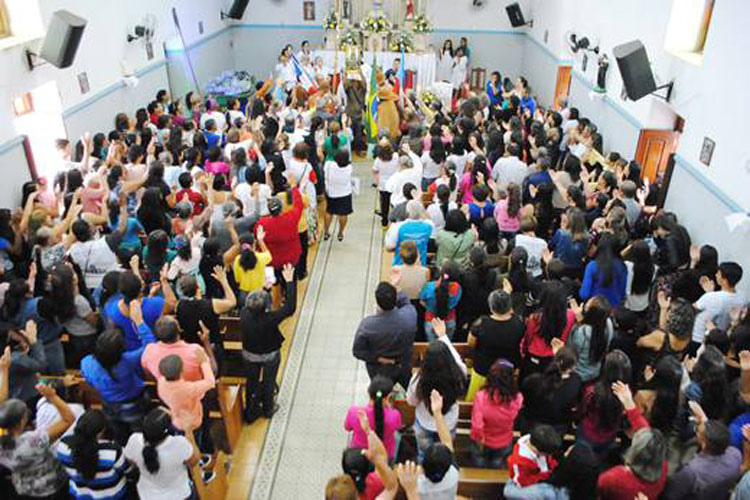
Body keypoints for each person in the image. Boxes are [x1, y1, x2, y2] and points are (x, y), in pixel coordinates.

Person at [81, 300, 156, 445]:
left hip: (109, 404)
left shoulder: (87, 363)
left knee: (120, 435)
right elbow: (150, 346)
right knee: (139, 435)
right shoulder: (128, 361)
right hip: (133, 403)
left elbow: (88, 379)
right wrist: (139, 322)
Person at [240, 264, 296, 422]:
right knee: (269, 381)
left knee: (251, 382)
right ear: (266, 307)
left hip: (249, 355)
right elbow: (290, 308)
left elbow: (255, 305)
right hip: (269, 355)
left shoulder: (244, 314)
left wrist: (265, 289)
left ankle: (251, 412)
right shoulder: (271, 319)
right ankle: (268, 409)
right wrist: (290, 282)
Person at [406, 319, 467, 462]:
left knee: (423, 453)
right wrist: (443, 336)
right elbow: (456, 357)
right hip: (448, 422)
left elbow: (411, 401)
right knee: (445, 452)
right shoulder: (459, 372)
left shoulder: (418, 379)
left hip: (424, 422)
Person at [0, 384, 75, 499]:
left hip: (22, 489)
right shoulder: (33, 440)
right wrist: (52, 396)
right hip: (48, 489)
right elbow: (68, 419)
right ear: (21, 422)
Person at [597, 382, 668, 500]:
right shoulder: (662, 467)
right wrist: (629, 403)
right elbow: (643, 429)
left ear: (635, 451)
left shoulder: (615, 477)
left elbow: (595, 488)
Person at [123, 407, 201, 500]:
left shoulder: (134, 440)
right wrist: (188, 432)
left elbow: (131, 461)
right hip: (179, 495)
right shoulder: (179, 444)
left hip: (147, 496)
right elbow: (194, 461)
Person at [353, 279, 417, 390]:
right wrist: (395, 288)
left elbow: (358, 351)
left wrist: (378, 359)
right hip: (403, 365)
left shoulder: (367, 326)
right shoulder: (410, 316)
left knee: (380, 392)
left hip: (378, 370)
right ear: (395, 299)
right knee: (408, 389)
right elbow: (406, 302)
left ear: (377, 303)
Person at [56, 409, 129, 500]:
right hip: (112, 496)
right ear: (100, 433)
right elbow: (126, 469)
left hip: (80, 495)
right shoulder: (112, 451)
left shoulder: (63, 445)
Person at [466, 289, 525, 401]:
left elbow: (471, 342)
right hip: (508, 369)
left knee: (475, 401)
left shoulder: (481, 323)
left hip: (484, 369)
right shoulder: (518, 323)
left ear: (491, 307)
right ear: (509, 307)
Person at [470, 358, 523, 467]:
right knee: (497, 463)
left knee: (479, 462)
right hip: (504, 441)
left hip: (484, 441)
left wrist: (480, 439)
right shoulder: (517, 398)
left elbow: (477, 426)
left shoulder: (481, 397)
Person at [344, 376, 402, 462]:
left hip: (359, 455)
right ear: (388, 397)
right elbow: (397, 427)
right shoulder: (394, 415)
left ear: (368, 393)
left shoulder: (354, 412)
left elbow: (347, 427)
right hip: (385, 455)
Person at [566, 295, 614, 382]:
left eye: (586, 306)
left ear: (590, 313)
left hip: (579, 373)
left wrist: (576, 320)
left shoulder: (581, 332)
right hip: (596, 370)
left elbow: (571, 351)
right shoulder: (608, 323)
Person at [504, 424, 561, 495]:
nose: (548, 455)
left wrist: (554, 468)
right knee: (549, 494)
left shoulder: (542, 443)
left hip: (543, 476)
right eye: (546, 454)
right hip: (526, 486)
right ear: (536, 450)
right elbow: (522, 482)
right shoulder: (520, 461)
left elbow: (549, 460)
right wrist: (545, 477)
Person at [580, 233, 628, 307]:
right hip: (614, 308)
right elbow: (622, 293)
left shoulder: (592, 266)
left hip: (595, 308)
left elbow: (584, 294)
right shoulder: (622, 266)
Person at [420, 262, 462, 341]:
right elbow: (456, 303)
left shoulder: (429, 286)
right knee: (446, 345)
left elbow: (422, 302)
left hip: (431, 320)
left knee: (432, 347)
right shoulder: (458, 288)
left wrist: (429, 308)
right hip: (449, 321)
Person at [384, 200, 434, 267]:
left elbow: (389, 247)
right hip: (420, 265)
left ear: (407, 212)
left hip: (400, 265)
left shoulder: (397, 227)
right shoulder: (429, 225)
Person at [323, 149, 354, 242]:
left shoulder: (328, 165)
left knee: (329, 211)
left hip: (331, 193)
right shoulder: (349, 168)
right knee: (343, 214)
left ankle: (326, 232)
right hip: (345, 193)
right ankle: (340, 233)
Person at [372, 140, 399, 228]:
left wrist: (375, 182)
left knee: (384, 204)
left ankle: (384, 223)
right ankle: (395, 221)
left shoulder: (378, 160)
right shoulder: (395, 157)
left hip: (383, 185)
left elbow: (375, 171)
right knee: (394, 202)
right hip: (394, 183)